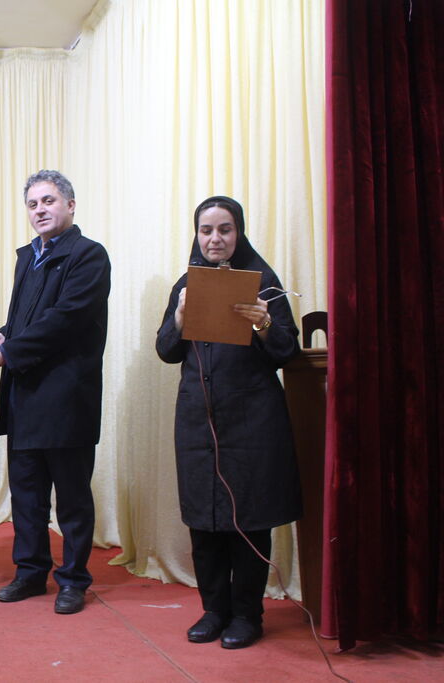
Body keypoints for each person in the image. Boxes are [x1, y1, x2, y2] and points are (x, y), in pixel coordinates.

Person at [155, 195, 302, 649]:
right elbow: (166, 351)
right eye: (206, 230)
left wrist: (263, 323)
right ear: (196, 235)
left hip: (252, 421)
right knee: (204, 521)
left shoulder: (263, 281)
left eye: (225, 229)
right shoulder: (186, 284)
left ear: (239, 233)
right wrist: (179, 318)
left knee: (248, 520)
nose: (215, 239)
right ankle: (213, 610)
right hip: (198, 419)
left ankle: (247, 615)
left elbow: (287, 352)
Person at [0, 170, 110, 615]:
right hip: (24, 396)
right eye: (32, 204)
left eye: (48, 201)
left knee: (71, 499)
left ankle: (73, 580)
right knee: (26, 496)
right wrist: (3, 335)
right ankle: (30, 573)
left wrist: (8, 352)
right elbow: (28, 320)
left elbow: (65, 319)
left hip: (66, 399)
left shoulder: (88, 255)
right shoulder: (27, 257)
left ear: (70, 205)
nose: (40, 210)